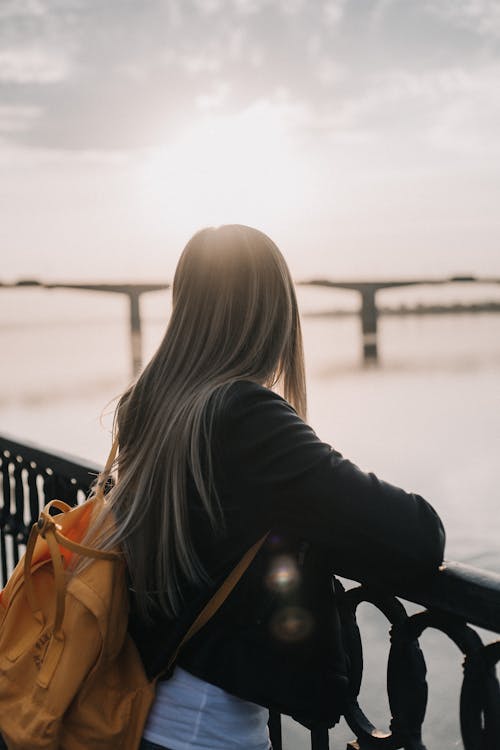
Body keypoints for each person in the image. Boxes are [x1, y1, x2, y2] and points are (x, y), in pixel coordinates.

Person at [87, 224, 445, 750]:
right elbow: (417, 535)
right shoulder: (244, 416)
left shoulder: (151, 408)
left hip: (142, 712)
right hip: (205, 733)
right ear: (273, 313)